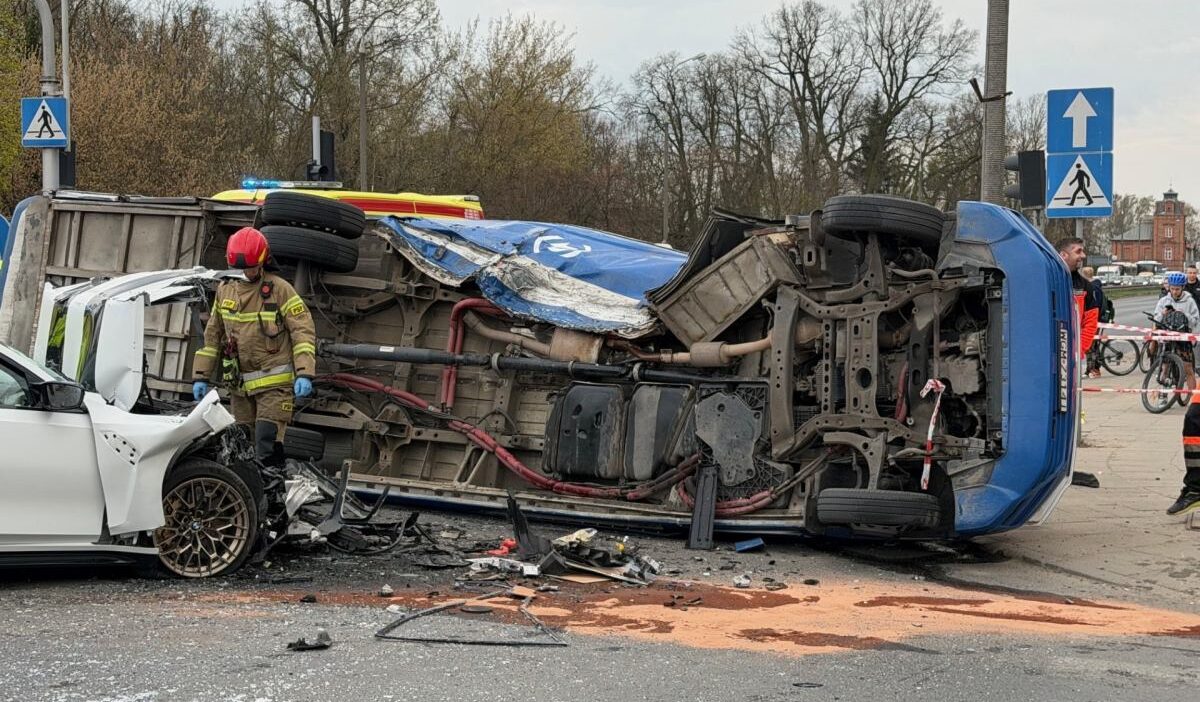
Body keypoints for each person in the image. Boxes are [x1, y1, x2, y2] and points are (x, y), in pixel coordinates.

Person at [191, 227, 317, 463]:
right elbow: (213, 336)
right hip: (240, 386)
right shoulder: (225, 289)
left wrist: (305, 372)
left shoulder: (279, 290)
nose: (245, 273)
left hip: (274, 385)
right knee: (242, 446)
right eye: (240, 268)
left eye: (249, 268)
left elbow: (303, 330)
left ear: (262, 262)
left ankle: (273, 494)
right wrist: (201, 375)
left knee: (266, 443)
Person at [1057, 238, 1102, 488]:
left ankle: (1067, 464)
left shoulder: (1086, 288)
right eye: (1078, 251)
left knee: (1070, 410)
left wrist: (1078, 352)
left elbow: (1090, 323)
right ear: (1063, 255)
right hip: (1046, 357)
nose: (1082, 256)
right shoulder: (1046, 277)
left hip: (1071, 360)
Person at [1153, 272, 1199, 395]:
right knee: (1165, 367)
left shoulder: (1189, 301)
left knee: (1188, 368)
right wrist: (1162, 314)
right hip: (1168, 336)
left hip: (1183, 338)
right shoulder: (1164, 300)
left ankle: (1193, 399)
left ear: (1183, 288)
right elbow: (1156, 318)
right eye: (1172, 289)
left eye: (1177, 289)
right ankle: (1162, 396)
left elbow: (1195, 321)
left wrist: (1183, 314)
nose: (1174, 292)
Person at [1081, 266, 1106, 378]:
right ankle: (1092, 369)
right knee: (1093, 345)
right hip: (1097, 319)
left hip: (1094, 320)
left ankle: (1093, 370)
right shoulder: (1096, 286)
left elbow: (1093, 305)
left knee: (1090, 346)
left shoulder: (1092, 288)